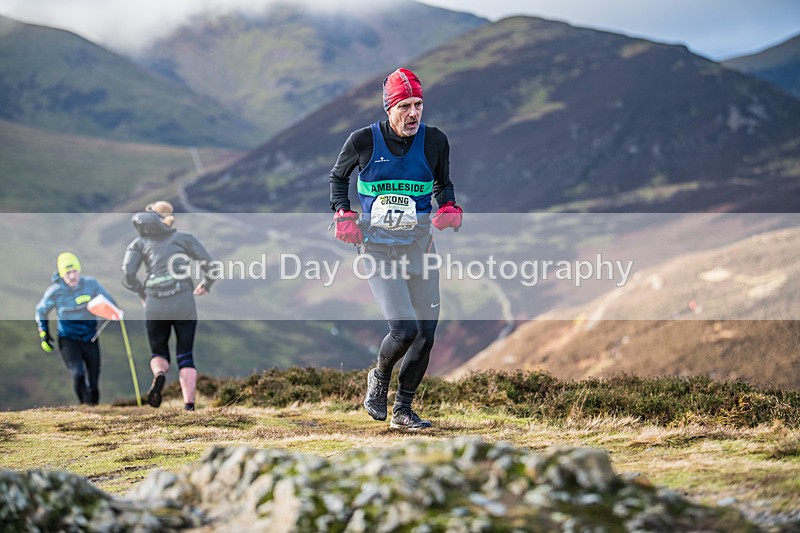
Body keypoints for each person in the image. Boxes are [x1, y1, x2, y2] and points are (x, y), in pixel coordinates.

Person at [329, 67, 463, 430]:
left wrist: (449, 206)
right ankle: (379, 377)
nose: (414, 113)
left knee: (426, 334)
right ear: (389, 108)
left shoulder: (435, 141)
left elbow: (443, 183)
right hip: (377, 251)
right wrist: (342, 213)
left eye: (419, 104)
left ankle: (403, 410)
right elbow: (338, 178)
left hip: (420, 249)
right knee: (404, 329)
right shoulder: (362, 141)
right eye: (405, 105)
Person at [121, 201, 215, 411]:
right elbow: (210, 264)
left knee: (159, 353)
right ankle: (189, 406)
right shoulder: (184, 238)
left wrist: (142, 292)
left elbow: (128, 274)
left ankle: (159, 375)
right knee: (185, 354)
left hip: (155, 302)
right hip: (183, 299)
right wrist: (206, 284)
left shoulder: (138, 243)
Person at [35, 252, 118, 405]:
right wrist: (44, 333)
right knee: (78, 374)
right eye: (68, 273)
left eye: (74, 271)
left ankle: (95, 408)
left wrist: (111, 313)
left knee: (94, 377)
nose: (72, 276)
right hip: (68, 339)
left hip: (90, 337)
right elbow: (40, 311)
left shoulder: (91, 284)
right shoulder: (55, 291)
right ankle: (85, 406)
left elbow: (110, 302)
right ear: (61, 274)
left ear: (79, 270)